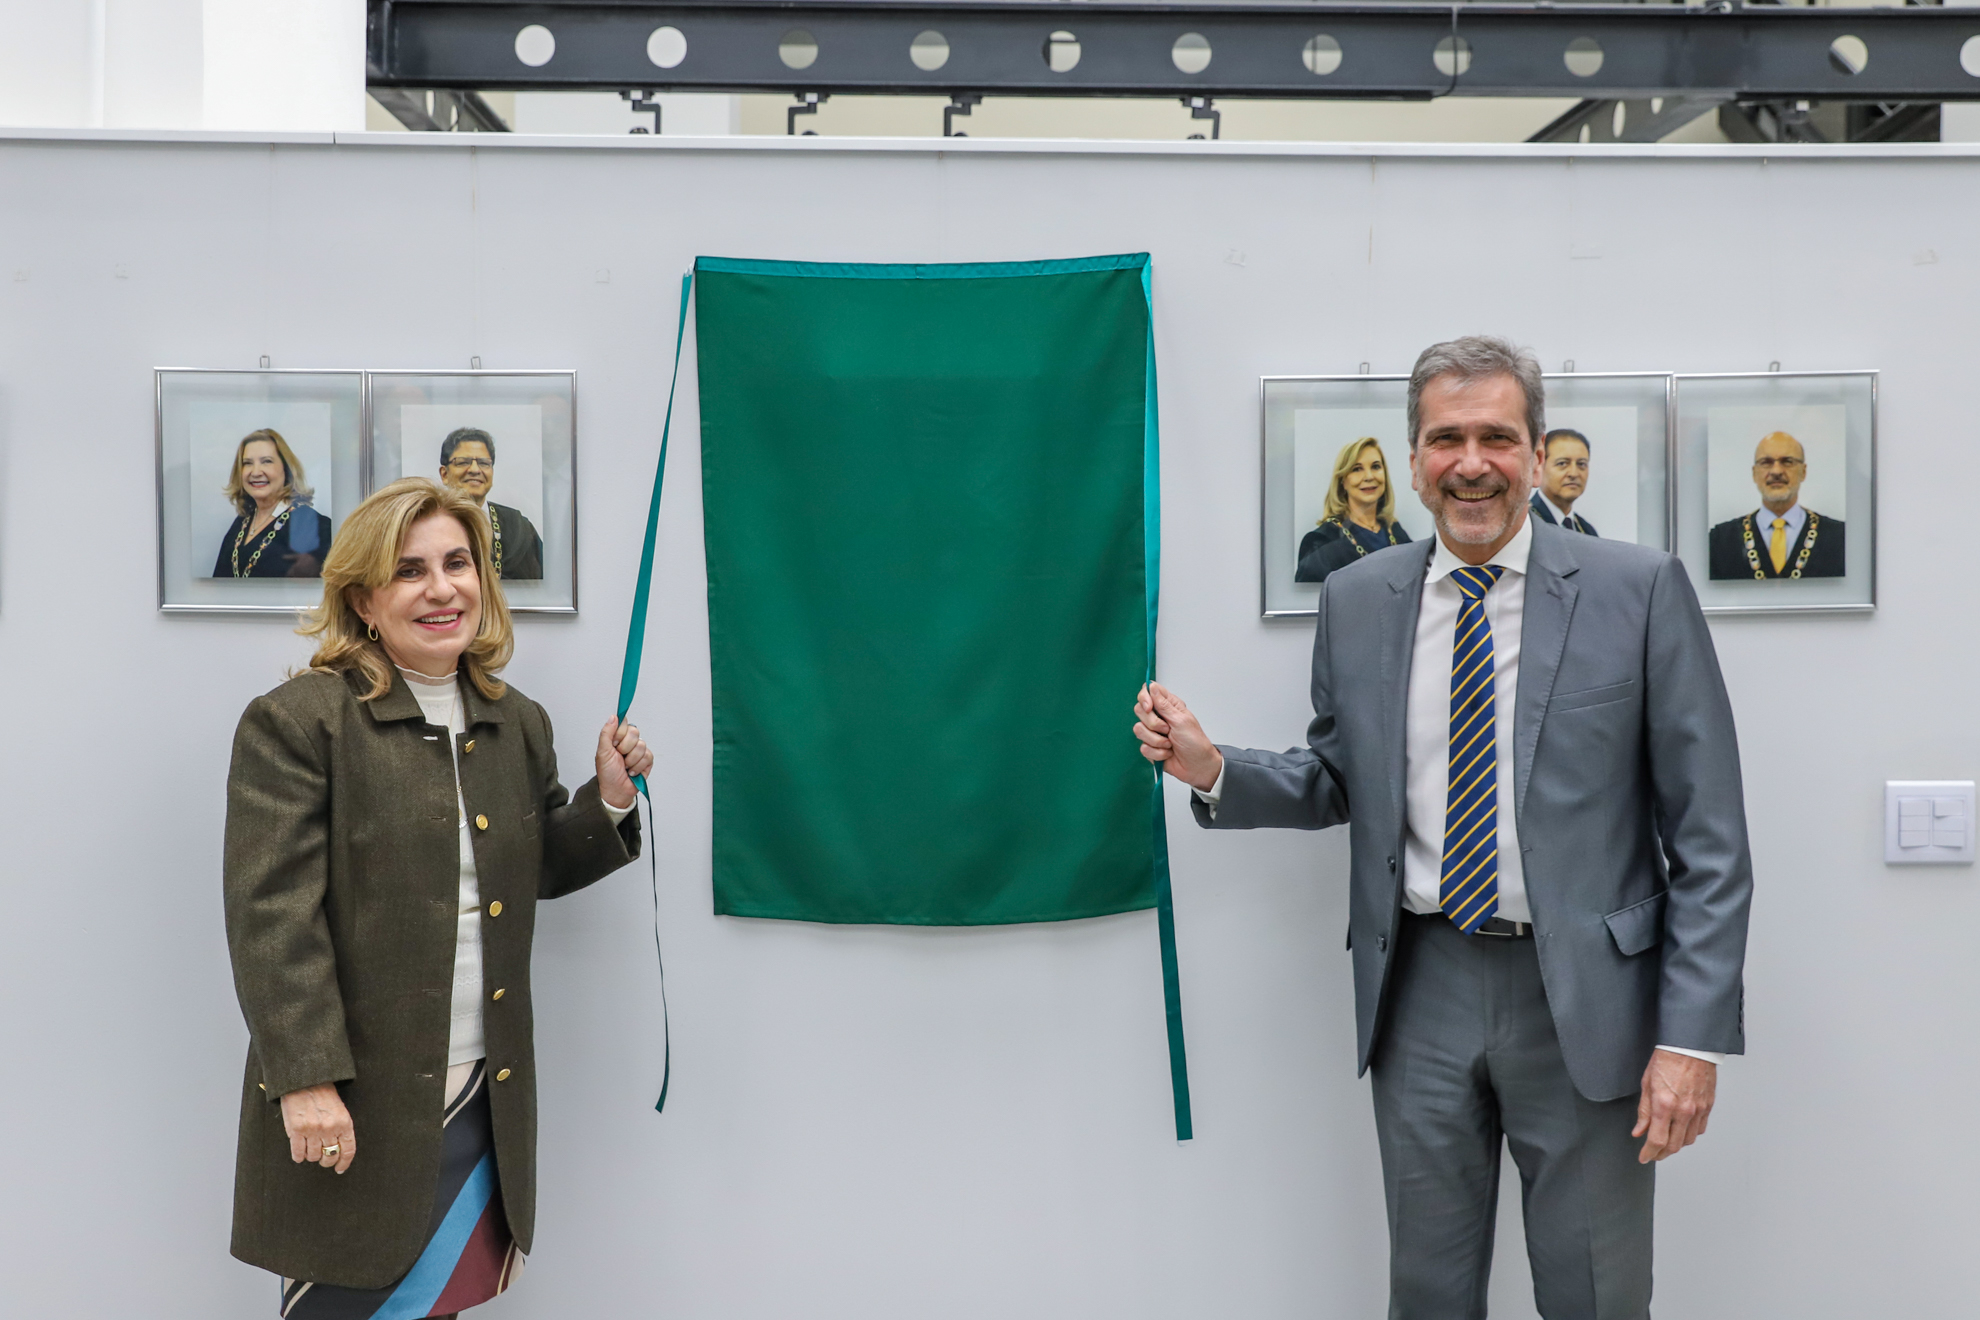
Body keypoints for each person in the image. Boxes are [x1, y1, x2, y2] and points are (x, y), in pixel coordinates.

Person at [1134, 336, 1752, 1318]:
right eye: (1447, 439)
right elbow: (1343, 779)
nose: (1473, 463)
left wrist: (1692, 1041)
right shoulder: (1357, 599)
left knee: (1595, 1294)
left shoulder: (1638, 590)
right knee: (1428, 1293)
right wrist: (1214, 770)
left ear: (1537, 452)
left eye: (1497, 437)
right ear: (1415, 458)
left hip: (1589, 999)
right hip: (1419, 985)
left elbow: (1711, 841)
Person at [222, 477, 651, 1319]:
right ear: (363, 600)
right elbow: (272, 919)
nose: (441, 588)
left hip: (484, 1091)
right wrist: (306, 1082)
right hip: (357, 1095)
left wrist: (608, 799)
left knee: (445, 1305)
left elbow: (535, 868)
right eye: (410, 570)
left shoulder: (516, 719)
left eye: (458, 564)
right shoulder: (300, 721)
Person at [1708, 430, 1846, 579]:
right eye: (1766, 462)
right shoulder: (1719, 541)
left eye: (1787, 461)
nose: (1776, 471)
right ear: (1754, 473)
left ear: (1803, 472)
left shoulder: (1841, 538)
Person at [214, 428, 333, 578]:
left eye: (267, 462)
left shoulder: (313, 525)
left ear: (286, 469)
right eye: (247, 463)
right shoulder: (242, 522)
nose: (255, 472)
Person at [1295, 437, 1413, 583]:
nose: (1369, 476)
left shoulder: (1396, 532)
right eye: (1357, 469)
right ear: (1342, 481)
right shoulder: (1321, 543)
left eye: (1376, 467)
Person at [438, 427, 544, 580]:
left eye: (484, 463)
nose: (475, 470)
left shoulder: (518, 527)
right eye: (463, 462)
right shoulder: (428, 522)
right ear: (444, 474)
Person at [1528, 426, 1598, 536]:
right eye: (1562, 463)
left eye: (1581, 464)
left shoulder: (1587, 531)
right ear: (1539, 465)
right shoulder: (1526, 523)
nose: (1573, 473)